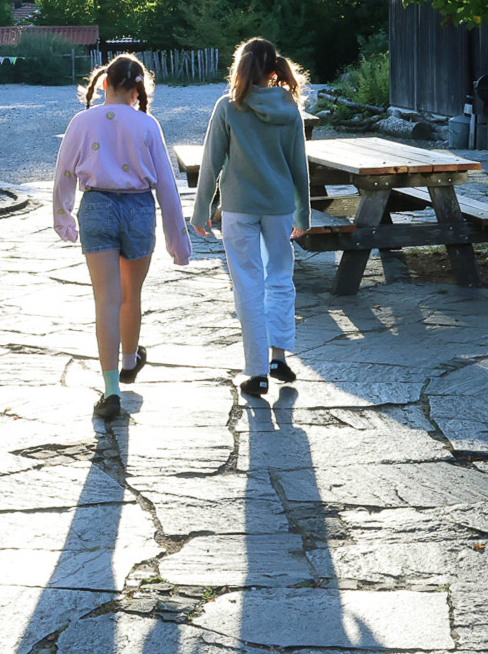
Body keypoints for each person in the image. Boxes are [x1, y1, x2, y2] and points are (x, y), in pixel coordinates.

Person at [51, 53, 190, 422]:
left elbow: (64, 172)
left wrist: (63, 216)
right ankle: (130, 360)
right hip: (138, 210)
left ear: (105, 84)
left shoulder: (82, 121)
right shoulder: (147, 125)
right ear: (137, 90)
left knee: (106, 300)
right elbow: (167, 188)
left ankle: (111, 388)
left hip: (96, 208)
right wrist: (179, 242)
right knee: (131, 295)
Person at [190, 37, 312, 396]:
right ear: (275, 70)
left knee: (248, 284)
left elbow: (211, 163)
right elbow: (298, 166)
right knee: (280, 279)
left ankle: (256, 371)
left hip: (239, 208)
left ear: (240, 68)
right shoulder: (289, 107)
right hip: (278, 208)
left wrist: (201, 211)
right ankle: (278, 357)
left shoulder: (229, 106)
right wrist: (303, 213)